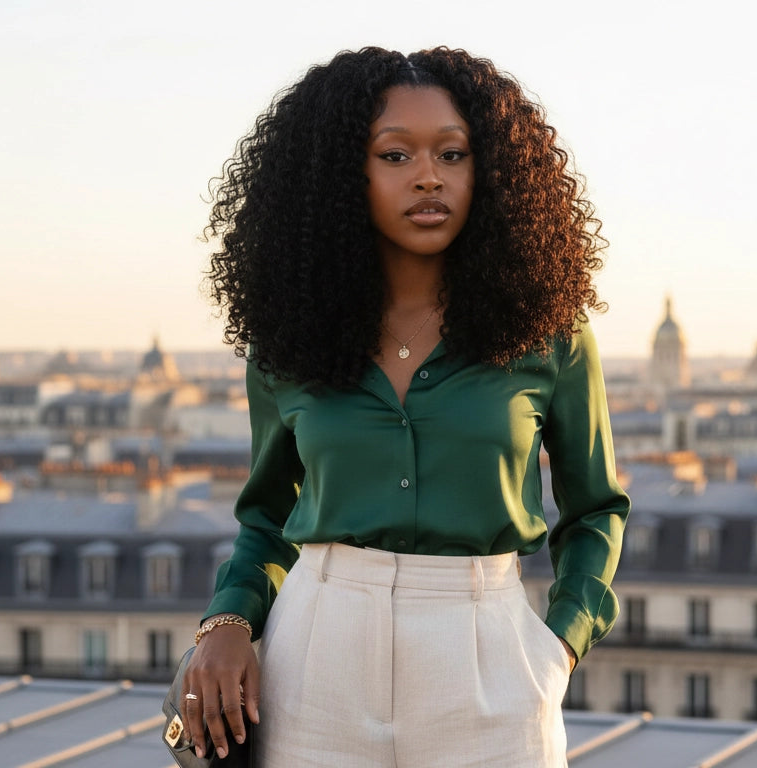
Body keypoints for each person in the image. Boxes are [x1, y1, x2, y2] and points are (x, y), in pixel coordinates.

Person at [181, 46, 629, 767]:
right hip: (315, 661)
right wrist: (226, 622)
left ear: (490, 172)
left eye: (453, 154)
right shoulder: (289, 340)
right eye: (395, 156)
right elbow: (266, 516)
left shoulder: (551, 333)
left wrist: (559, 646)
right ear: (341, 175)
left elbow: (597, 506)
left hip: (488, 659)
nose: (429, 176)